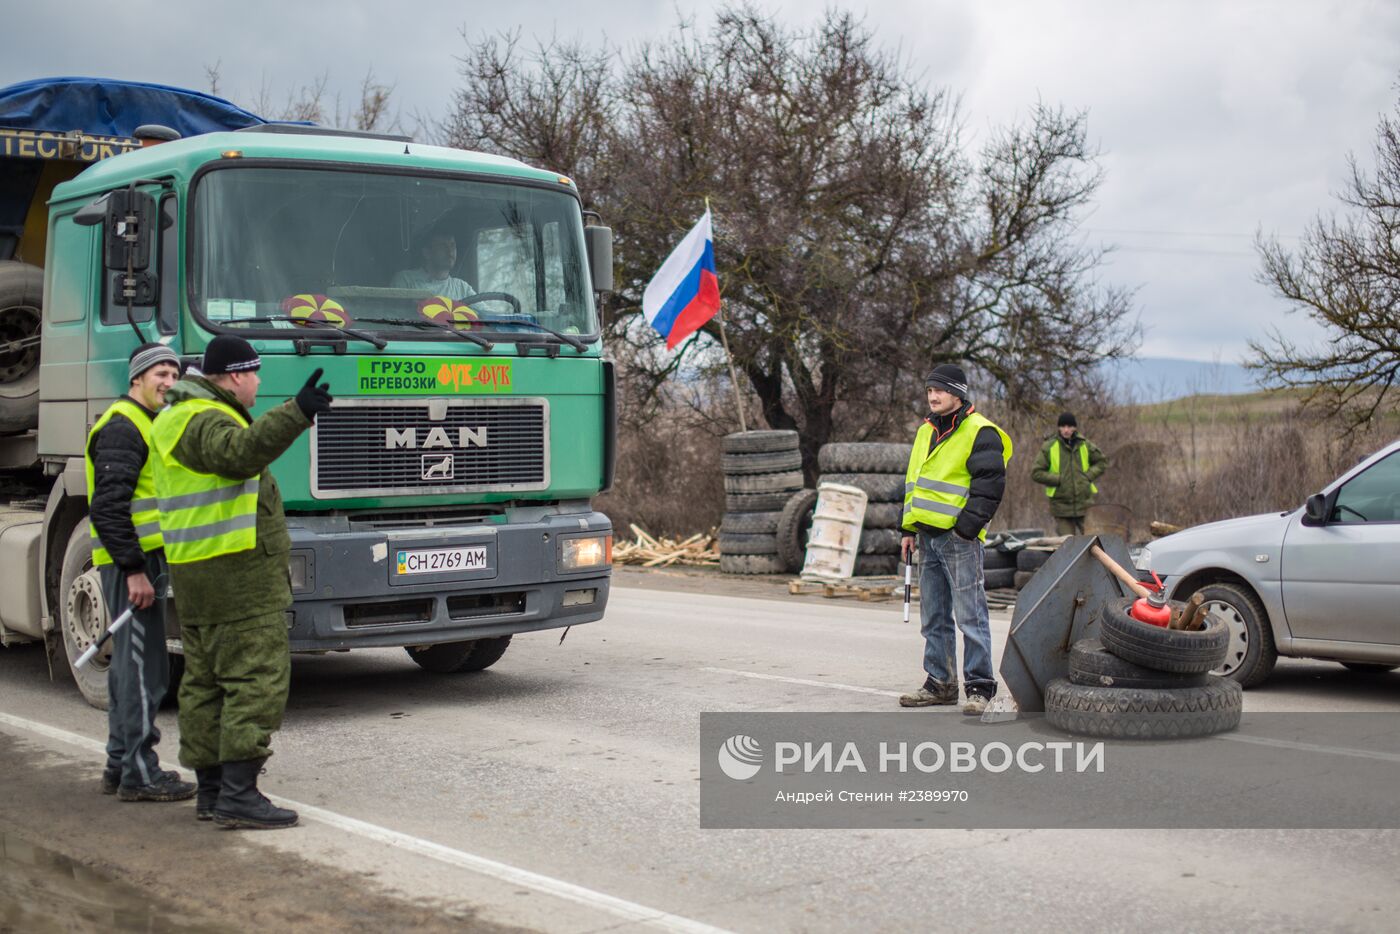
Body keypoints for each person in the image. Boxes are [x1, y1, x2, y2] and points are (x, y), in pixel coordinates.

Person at [151, 335, 332, 829]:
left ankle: (212, 792)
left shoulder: (177, 415)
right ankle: (238, 794)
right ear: (235, 375)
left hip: (199, 571)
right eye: (254, 375)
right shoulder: (205, 418)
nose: (257, 386)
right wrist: (297, 412)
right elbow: (238, 453)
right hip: (236, 575)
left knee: (206, 683)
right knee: (255, 679)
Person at [88, 343, 196, 803]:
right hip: (130, 564)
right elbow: (108, 509)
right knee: (141, 671)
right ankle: (139, 773)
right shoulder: (123, 426)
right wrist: (134, 571)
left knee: (136, 669)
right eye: (160, 374)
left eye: (174, 374)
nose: (169, 382)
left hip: (141, 560)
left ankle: (120, 763)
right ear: (137, 379)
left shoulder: (147, 422)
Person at [897, 364, 1012, 716]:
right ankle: (940, 683)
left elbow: (989, 487)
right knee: (933, 617)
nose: (933, 396)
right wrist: (907, 528)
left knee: (970, 616)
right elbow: (913, 482)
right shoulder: (925, 431)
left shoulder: (981, 432)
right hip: (927, 536)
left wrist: (965, 529)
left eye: (940, 390)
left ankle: (980, 687)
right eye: (930, 389)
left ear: (958, 393)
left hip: (958, 539)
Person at [1030, 412, 1108, 537]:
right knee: (1067, 546)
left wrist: (1088, 476)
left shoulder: (1085, 445)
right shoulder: (1049, 447)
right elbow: (1036, 472)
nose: (1066, 430)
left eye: (1069, 426)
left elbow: (1102, 462)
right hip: (1061, 507)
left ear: (1075, 428)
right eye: (1063, 426)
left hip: (1085, 504)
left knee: (1094, 541)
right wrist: (1058, 479)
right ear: (1059, 428)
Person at [390, 229, 475, 300]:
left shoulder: (462, 288)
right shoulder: (406, 280)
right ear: (427, 253)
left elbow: (487, 314)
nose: (450, 251)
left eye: (452, 245)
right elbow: (393, 316)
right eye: (442, 246)